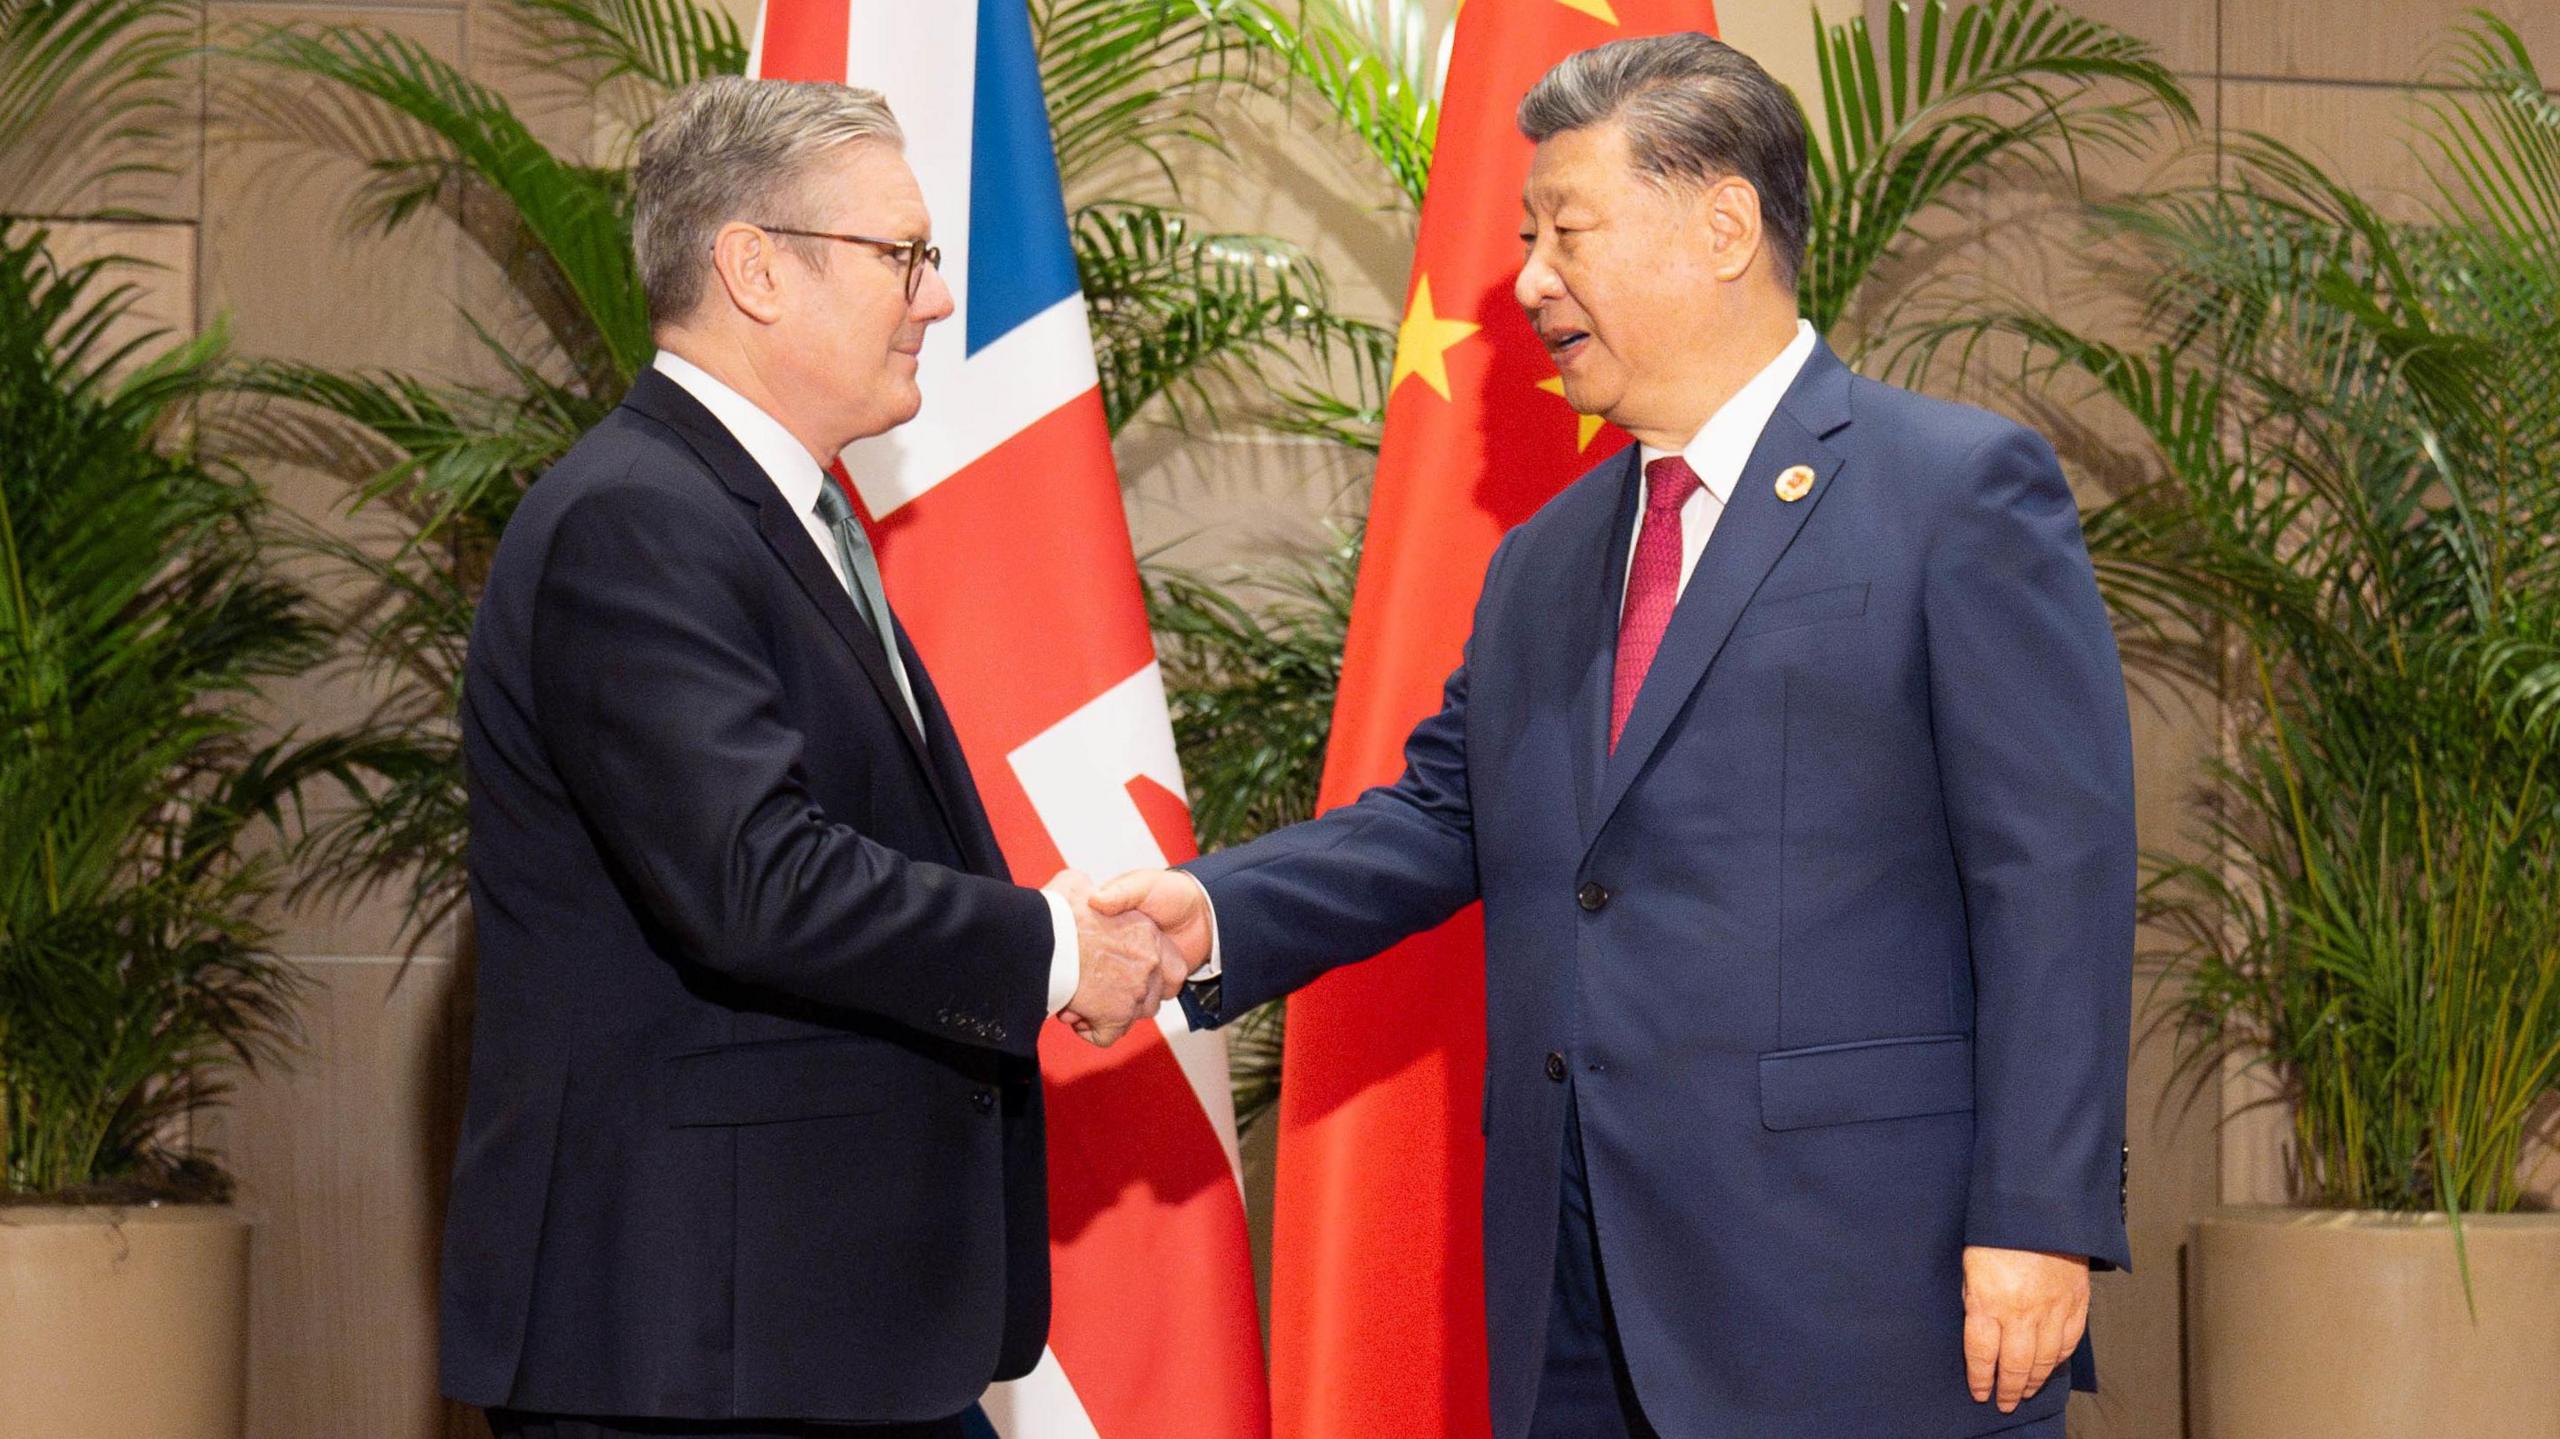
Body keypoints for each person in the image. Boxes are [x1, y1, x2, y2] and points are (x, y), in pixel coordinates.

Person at [1097, 33, 2135, 1439]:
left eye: (1564, 231)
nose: (1526, 278)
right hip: (1573, 1277)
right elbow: (1446, 817)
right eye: (1525, 235)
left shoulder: (1954, 493)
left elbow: (2054, 877)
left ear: (1723, 225)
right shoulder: (1546, 555)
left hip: (1859, 1289)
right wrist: (1207, 917)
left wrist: (2041, 1216)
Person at [438, 76, 1185, 1439]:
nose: (937, 299)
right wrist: (1057, 949)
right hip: (699, 1350)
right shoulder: (638, 522)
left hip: (812, 1329)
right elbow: (753, 879)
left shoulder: (766, 515)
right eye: (902, 255)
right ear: (754, 270)